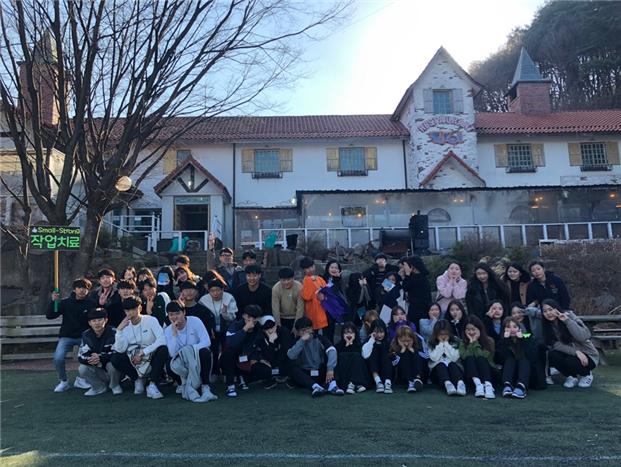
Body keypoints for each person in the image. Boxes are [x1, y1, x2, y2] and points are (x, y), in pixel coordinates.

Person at [110, 297, 168, 399]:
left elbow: (162, 340)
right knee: (116, 358)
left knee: (163, 349)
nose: (131, 313)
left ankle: (152, 384)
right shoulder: (124, 325)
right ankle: (137, 379)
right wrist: (119, 331)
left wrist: (142, 353)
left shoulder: (151, 320)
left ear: (140, 308)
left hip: (150, 355)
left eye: (134, 309)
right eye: (128, 310)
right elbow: (120, 349)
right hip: (133, 358)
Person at [47, 278, 96, 392]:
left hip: (84, 336)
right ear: (74, 289)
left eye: (85, 288)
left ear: (88, 290)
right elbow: (50, 316)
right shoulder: (65, 302)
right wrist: (53, 302)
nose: (82, 290)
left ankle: (85, 379)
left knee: (91, 357)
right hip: (67, 336)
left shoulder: (92, 303)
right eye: (79, 288)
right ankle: (63, 381)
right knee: (58, 358)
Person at [163, 301, 217, 403]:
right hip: (182, 360)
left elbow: (207, 341)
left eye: (177, 313)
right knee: (169, 364)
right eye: (171, 315)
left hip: (196, 356)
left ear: (184, 312)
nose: (175, 317)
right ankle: (182, 384)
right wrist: (174, 333)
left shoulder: (195, 321)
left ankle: (205, 386)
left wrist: (190, 350)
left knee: (205, 352)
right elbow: (172, 353)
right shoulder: (168, 330)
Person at [541, 299, 598, 388]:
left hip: (588, 354)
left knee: (570, 361)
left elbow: (583, 337)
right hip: (571, 353)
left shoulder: (570, 316)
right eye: (545, 311)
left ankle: (586, 374)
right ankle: (571, 376)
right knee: (553, 355)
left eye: (550, 309)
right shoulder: (547, 326)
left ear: (556, 309)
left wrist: (567, 321)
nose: (548, 313)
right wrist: (576, 352)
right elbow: (555, 344)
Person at [287, 316, 342, 397]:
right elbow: (291, 356)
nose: (306, 332)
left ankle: (332, 386)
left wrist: (330, 369)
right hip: (306, 374)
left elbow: (332, 350)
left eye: (308, 329)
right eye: (303, 330)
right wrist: (302, 341)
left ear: (312, 329)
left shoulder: (319, 338)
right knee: (293, 369)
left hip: (321, 372)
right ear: (298, 332)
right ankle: (315, 387)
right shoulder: (296, 341)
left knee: (333, 359)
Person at [220, 304, 264, 397]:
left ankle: (242, 378)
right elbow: (231, 343)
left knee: (264, 371)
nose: (252, 320)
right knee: (229, 353)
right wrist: (245, 329)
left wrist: (255, 358)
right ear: (244, 315)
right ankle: (230, 385)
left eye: (255, 317)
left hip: (247, 358)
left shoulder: (259, 328)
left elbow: (258, 345)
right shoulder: (236, 325)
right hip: (231, 357)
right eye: (249, 317)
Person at [77, 308, 120, 396]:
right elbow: (81, 355)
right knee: (82, 368)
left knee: (113, 364)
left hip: (112, 368)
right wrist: (91, 359)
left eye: (100, 320)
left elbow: (118, 352)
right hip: (98, 367)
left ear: (106, 320)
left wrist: (100, 357)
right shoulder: (86, 334)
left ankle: (115, 385)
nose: (97, 323)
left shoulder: (114, 332)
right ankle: (99, 387)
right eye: (94, 321)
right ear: (89, 323)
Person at [198, 279, 238, 375]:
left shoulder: (229, 298)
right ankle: (214, 371)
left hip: (226, 328)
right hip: (211, 330)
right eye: (212, 291)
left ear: (222, 290)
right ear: (209, 291)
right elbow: (201, 317)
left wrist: (225, 313)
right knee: (213, 350)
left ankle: (226, 371)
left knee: (226, 350)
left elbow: (233, 317)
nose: (215, 293)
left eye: (218, 290)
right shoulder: (203, 300)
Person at [497, 317, 536, 399]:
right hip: (510, 372)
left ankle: (521, 387)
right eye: (508, 327)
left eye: (515, 327)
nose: (512, 330)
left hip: (526, 372)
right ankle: (507, 385)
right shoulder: (502, 341)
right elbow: (501, 359)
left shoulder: (527, 337)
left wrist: (522, 340)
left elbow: (532, 357)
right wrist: (505, 341)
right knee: (510, 359)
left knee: (523, 358)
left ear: (519, 328)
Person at [459, 315, 496, 399]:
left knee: (481, 359)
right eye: (468, 330)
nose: (471, 332)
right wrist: (471, 342)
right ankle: (478, 385)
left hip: (488, 373)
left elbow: (485, 356)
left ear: (479, 329)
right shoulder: (462, 343)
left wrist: (475, 342)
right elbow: (464, 356)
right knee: (470, 358)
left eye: (473, 329)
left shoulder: (489, 341)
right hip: (471, 376)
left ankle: (488, 386)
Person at [428, 320, 466, 396]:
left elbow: (454, 358)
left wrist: (446, 343)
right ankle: (448, 385)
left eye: (445, 334)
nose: (443, 336)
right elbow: (434, 358)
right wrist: (440, 344)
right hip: (437, 372)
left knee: (452, 364)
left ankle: (460, 384)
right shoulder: (431, 341)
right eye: (440, 334)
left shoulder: (456, 340)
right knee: (441, 365)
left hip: (454, 370)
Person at [255, 315, 292, 389]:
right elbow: (267, 356)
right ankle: (269, 379)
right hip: (268, 362)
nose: (270, 331)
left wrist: (275, 365)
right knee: (258, 367)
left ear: (275, 325)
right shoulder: (260, 336)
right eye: (266, 329)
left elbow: (285, 351)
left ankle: (286, 376)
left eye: (272, 327)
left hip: (282, 361)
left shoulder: (284, 332)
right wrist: (271, 342)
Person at [334, 322, 369, 394]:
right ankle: (351, 384)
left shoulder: (359, 345)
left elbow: (361, 358)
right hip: (344, 375)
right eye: (346, 333)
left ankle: (355, 383)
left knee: (356, 356)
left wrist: (351, 344)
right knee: (342, 356)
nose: (349, 335)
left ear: (355, 333)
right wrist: (347, 344)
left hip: (357, 373)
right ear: (342, 334)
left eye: (351, 332)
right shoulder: (338, 346)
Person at [299, 257, 329, 338]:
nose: (310, 269)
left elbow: (327, 291)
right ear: (304, 270)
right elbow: (306, 296)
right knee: (315, 334)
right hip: (313, 312)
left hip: (322, 310)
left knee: (321, 334)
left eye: (312, 267)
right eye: (307, 268)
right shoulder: (306, 280)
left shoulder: (319, 279)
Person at [390, 325, 425, 393]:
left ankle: (417, 379)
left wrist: (413, 351)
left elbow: (426, 357)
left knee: (414, 353)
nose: (406, 343)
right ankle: (410, 382)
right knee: (405, 354)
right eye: (403, 341)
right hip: (402, 375)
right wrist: (401, 352)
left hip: (420, 373)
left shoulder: (419, 339)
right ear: (398, 339)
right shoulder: (394, 343)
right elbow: (393, 363)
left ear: (412, 338)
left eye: (408, 341)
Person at [400, 255, 432, 329]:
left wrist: (407, 274)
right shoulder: (418, 277)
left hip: (418, 310)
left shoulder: (418, 278)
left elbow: (405, 287)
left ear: (412, 266)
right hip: (417, 309)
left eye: (405, 266)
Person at [362, 319, 393, 393]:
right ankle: (378, 382)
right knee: (373, 352)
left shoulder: (388, 341)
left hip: (387, 371)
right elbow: (365, 355)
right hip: (373, 372)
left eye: (381, 332)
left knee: (386, 355)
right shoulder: (369, 341)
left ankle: (387, 383)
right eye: (376, 332)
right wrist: (372, 340)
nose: (379, 335)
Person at [271, 267, 304, 332]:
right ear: (279, 279)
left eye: (288, 279)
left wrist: (296, 327)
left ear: (293, 278)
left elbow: (300, 308)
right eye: (283, 280)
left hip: (295, 317)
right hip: (282, 317)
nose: (286, 282)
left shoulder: (299, 287)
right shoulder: (276, 288)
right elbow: (275, 309)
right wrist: (278, 326)